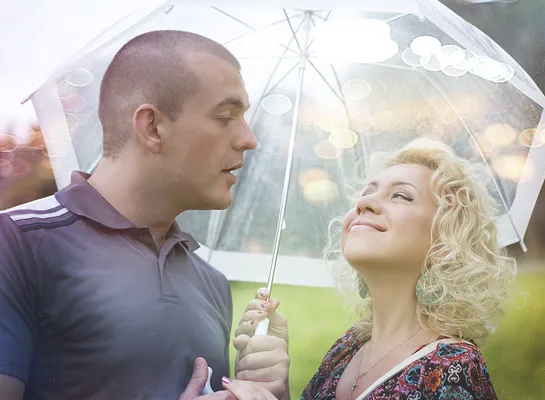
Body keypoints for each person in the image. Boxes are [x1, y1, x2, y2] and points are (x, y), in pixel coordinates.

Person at [0, 30, 288, 400]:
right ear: (152, 127)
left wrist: (264, 391)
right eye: (226, 116)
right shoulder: (15, 244)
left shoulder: (211, 283)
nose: (249, 139)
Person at [236, 138, 517, 399]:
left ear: (446, 238)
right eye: (365, 193)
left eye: (401, 196)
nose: (363, 203)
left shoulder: (455, 369)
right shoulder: (346, 348)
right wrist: (272, 389)